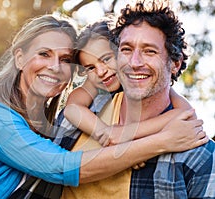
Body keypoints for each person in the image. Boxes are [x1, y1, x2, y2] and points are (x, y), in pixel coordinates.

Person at [0, 14, 207, 199]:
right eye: (44, 54)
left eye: (65, 59)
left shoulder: (53, 127)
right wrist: (162, 140)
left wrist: (182, 116)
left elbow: (176, 105)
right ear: (19, 58)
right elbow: (62, 167)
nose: (55, 67)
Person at [61, 1, 215, 198]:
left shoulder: (198, 153)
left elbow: (187, 115)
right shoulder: (84, 112)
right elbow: (50, 169)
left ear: (175, 64)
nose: (134, 63)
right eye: (126, 49)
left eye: (150, 51)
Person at [63, 19, 196, 147]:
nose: (101, 71)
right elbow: (72, 108)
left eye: (106, 59)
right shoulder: (95, 82)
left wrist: (127, 134)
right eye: (90, 67)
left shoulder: (154, 85)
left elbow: (188, 114)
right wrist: (104, 132)